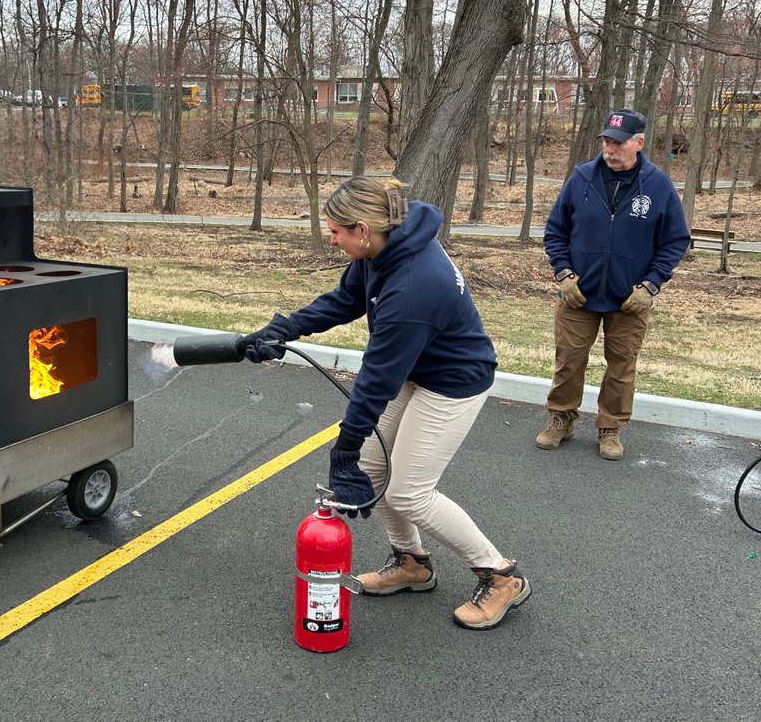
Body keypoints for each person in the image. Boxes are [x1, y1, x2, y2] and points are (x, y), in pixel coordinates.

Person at [239, 176, 529, 631]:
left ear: (360, 228)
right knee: (375, 473)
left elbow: (375, 380)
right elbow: (344, 301)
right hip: (417, 371)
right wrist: (282, 329)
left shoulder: (414, 287)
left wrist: (344, 447)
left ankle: (500, 575)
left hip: (454, 381)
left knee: (410, 492)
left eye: (335, 232)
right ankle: (413, 565)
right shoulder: (382, 248)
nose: (331, 239)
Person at [538, 109, 690, 460]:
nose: (610, 149)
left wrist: (651, 285)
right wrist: (562, 273)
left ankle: (610, 428)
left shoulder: (658, 186)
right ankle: (561, 418)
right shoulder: (581, 178)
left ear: (638, 143)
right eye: (606, 141)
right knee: (569, 361)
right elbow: (555, 232)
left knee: (621, 367)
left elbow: (675, 241)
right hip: (579, 294)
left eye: (618, 143)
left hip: (629, 298)